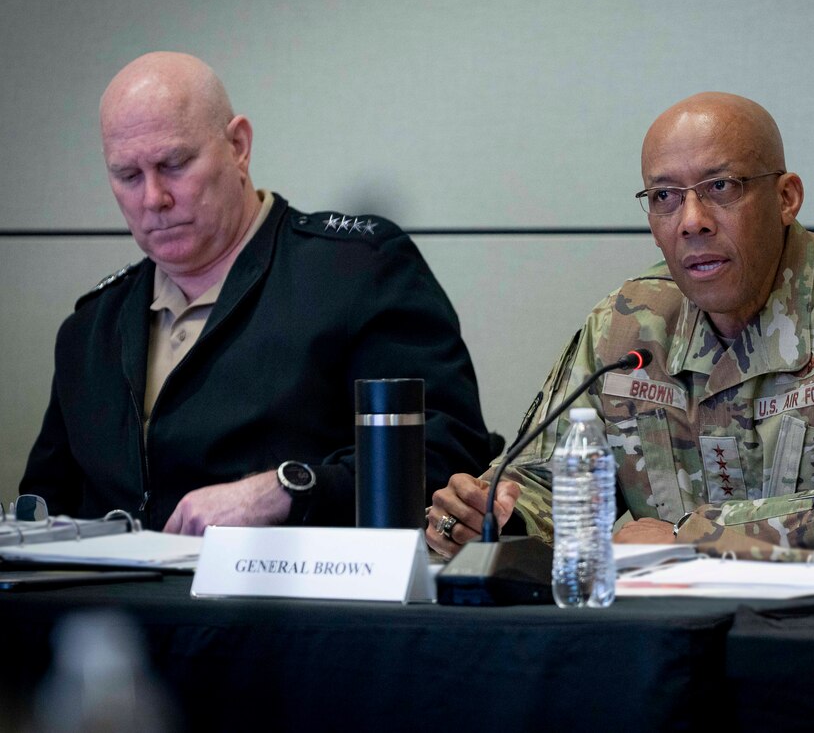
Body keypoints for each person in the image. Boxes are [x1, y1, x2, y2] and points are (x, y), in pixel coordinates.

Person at [426, 92, 814, 563]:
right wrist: (496, 518)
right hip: (663, 637)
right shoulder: (626, 327)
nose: (691, 221)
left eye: (722, 187)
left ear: (786, 197)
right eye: (666, 197)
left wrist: (690, 538)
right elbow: (544, 483)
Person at [21, 52, 490, 533]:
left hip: (293, 603)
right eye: (128, 176)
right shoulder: (91, 329)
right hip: (121, 607)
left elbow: (448, 453)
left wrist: (292, 490)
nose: (153, 198)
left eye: (175, 164)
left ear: (238, 146)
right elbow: (40, 515)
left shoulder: (356, 272)